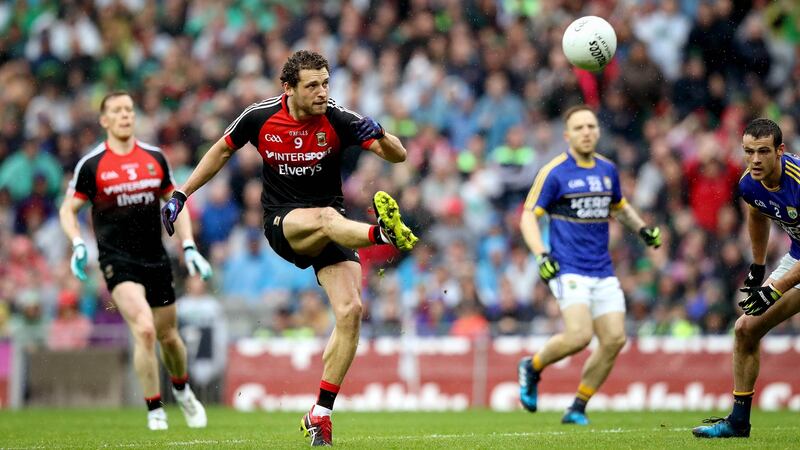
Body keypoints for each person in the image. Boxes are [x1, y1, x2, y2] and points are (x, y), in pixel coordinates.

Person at [161, 50, 418, 446]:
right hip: (285, 223)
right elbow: (221, 151)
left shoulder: (336, 118)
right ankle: (382, 236)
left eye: (326, 83)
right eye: (312, 85)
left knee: (351, 312)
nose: (322, 92)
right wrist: (182, 192)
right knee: (327, 220)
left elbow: (398, 156)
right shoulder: (259, 116)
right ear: (289, 88)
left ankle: (320, 414)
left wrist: (381, 132)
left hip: (333, 227)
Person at [59, 91, 213, 431]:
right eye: (117, 111)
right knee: (143, 330)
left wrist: (188, 246)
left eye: (129, 109)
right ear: (104, 120)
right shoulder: (92, 164)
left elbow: (175, 203)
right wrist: (77, 244)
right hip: (117, 261)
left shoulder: (155, 158)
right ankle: (155, 410)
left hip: (155, 258)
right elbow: (68, 210)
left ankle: (183, 390)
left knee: (169, 336)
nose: (125, 115)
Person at [516, 105, 661, 425]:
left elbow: (619, 207)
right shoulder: (555, 172)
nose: (586, 132)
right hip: (567, 267)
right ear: (567, 135)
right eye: (579, 128)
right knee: (580, 335)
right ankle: (533, 366)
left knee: (614, 340)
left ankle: (578, 406)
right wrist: (541, 254)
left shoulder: (607, 170)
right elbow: (528, 215)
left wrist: (642, 230)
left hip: (602, 269)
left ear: (598, 132)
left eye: (591, 126)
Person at [692, 118, 799, 438]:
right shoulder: (749, 183)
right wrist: (758, 264)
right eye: (748, 151)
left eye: (763, 151)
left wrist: (776, 288)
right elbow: (756, 211)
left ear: (780, 151)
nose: (754, 159)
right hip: (797, 257)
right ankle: (738, 422)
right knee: (745, 329)